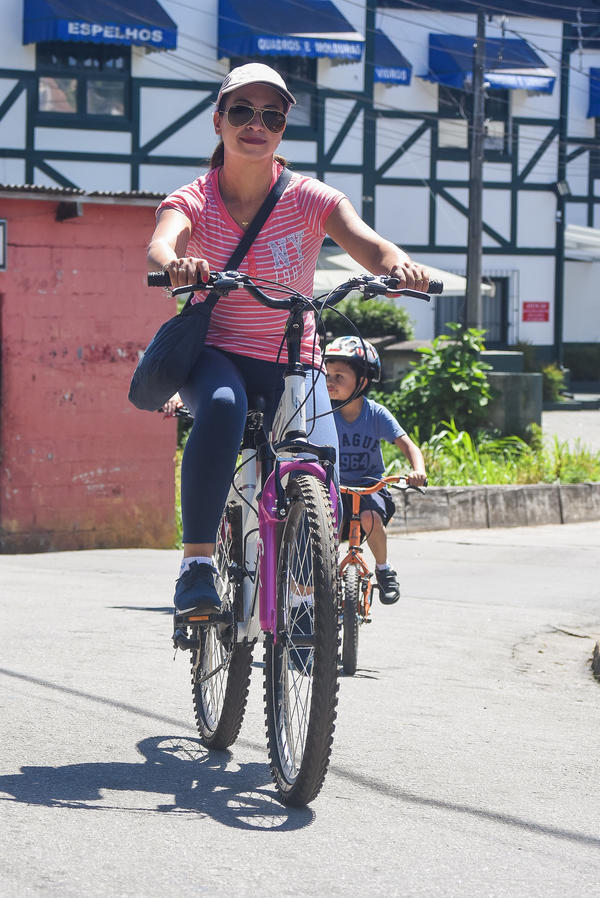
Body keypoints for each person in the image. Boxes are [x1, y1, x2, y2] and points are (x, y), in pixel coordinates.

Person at [146, 62, 430, 615]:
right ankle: (198, 565)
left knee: (322, 463)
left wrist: (400, 268)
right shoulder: (194, 197)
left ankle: (304, 598)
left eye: (271, 115)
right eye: (242, 111)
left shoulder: (310, 197)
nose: (257, 123)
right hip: (217, 354)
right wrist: (177, 264)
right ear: (218, 121)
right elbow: (163, 242)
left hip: (293, 360)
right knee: (223, 408)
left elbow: (371, 246)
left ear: (281, 129)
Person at [324, 336, 427, 604]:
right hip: (335, 487)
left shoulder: (376, 414)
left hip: (370, 485)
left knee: (370, 518)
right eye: (327, 375)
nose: (329, 382)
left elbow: (408, 446)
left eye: (339, 376)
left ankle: (384, 569)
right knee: (323, 525)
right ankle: (320, 575)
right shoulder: (323, 413)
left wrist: (418, 471)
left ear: (362, 381)